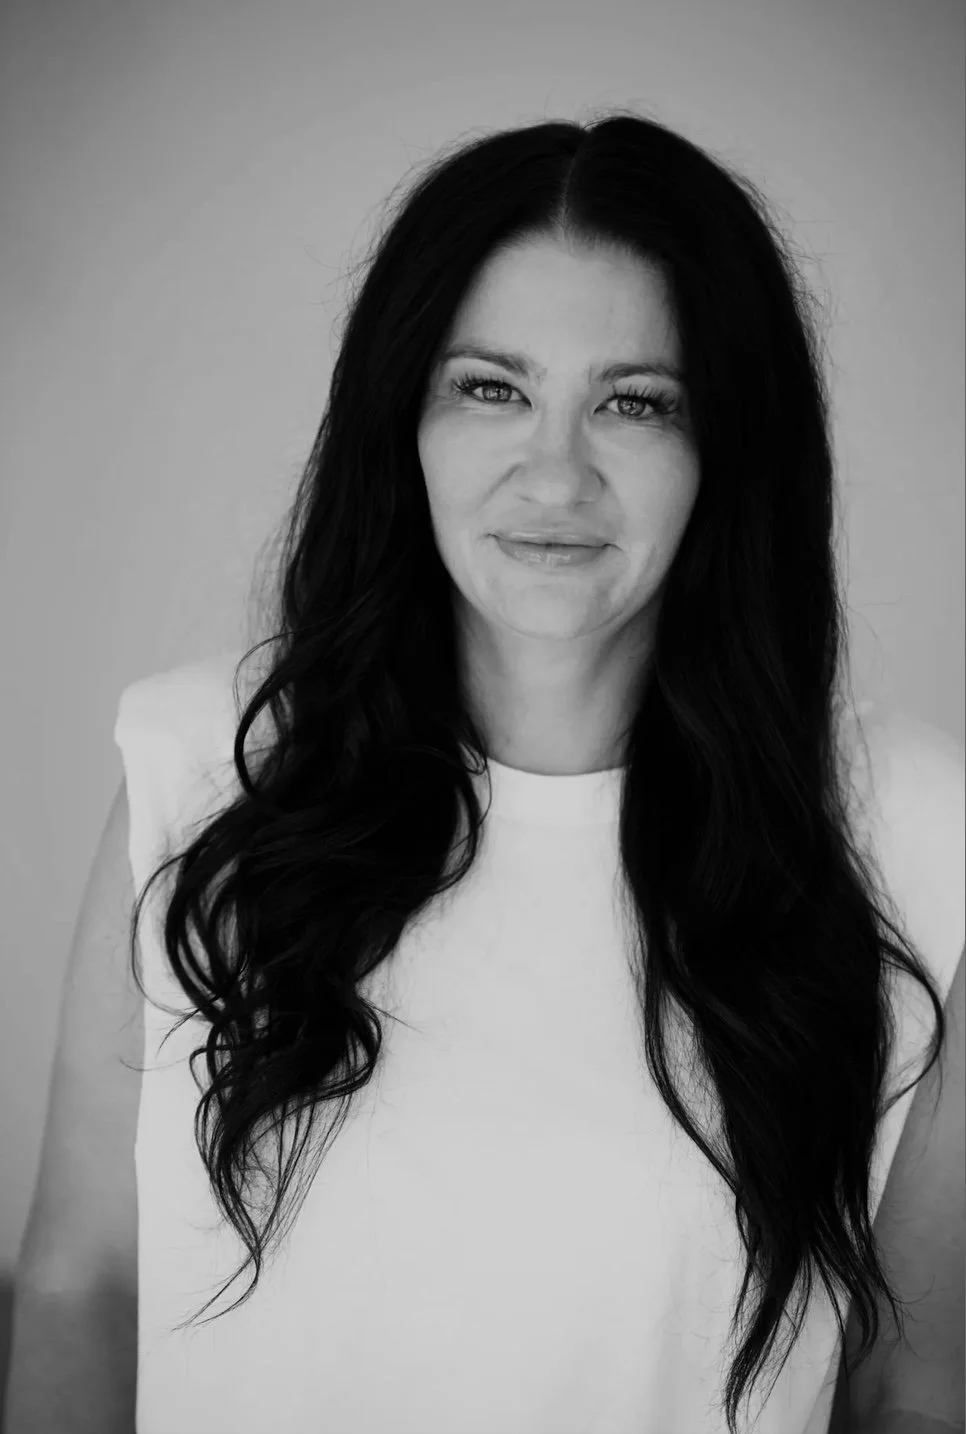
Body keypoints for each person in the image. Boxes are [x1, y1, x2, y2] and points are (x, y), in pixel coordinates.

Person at [6, 109, 963, 1434]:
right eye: (491, 386)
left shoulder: (916, 840)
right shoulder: (199, 772)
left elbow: (907, 1382)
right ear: (404, 419)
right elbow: (77, 1284)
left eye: (633, 401)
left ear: (724, 451)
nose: (553, 471)